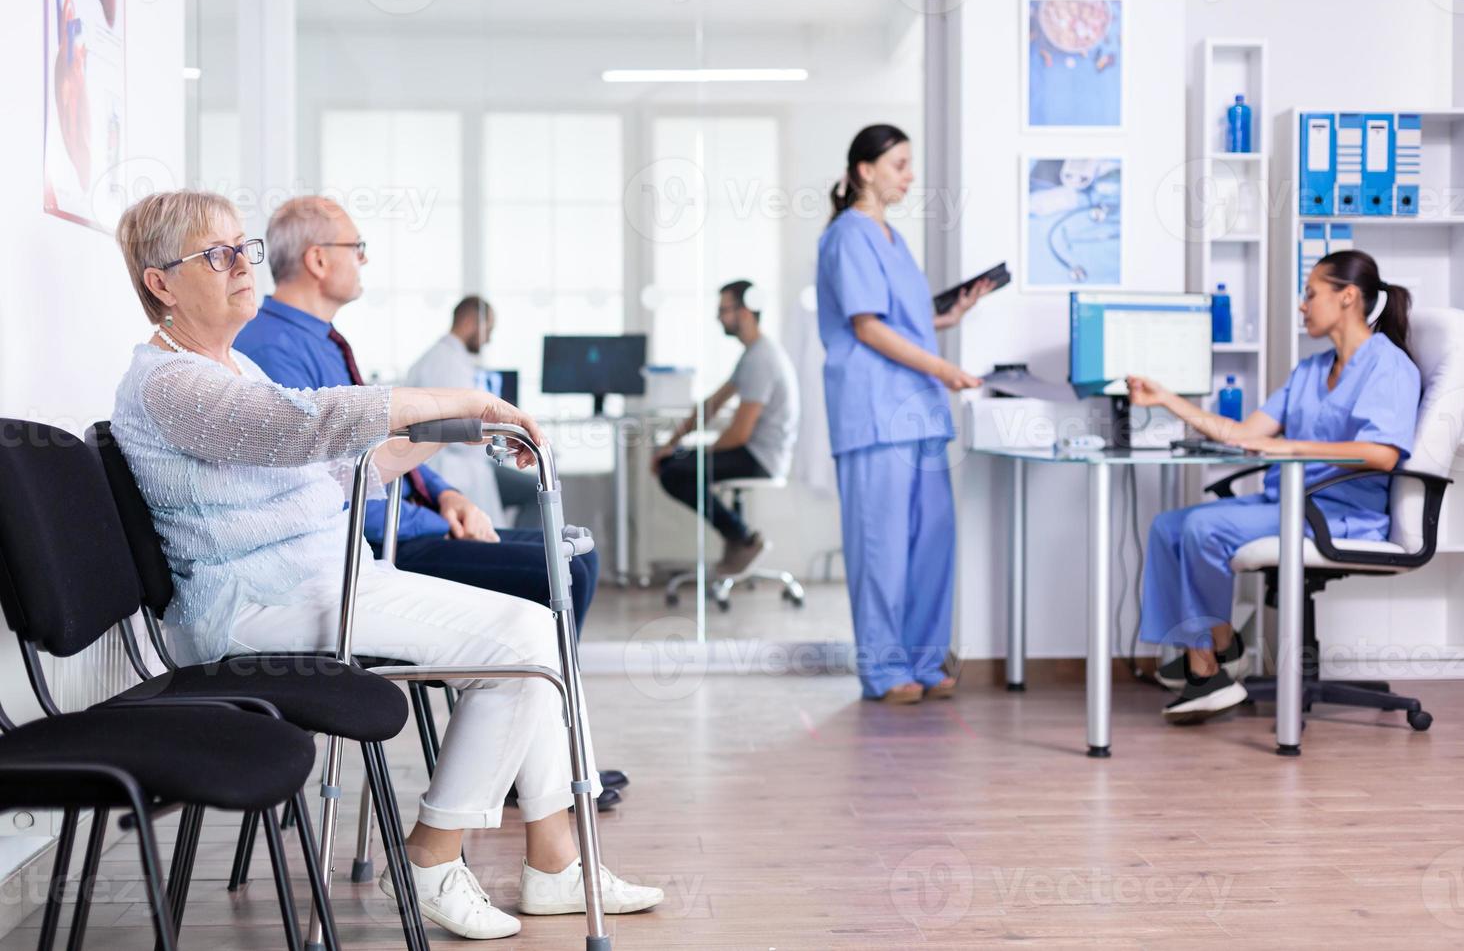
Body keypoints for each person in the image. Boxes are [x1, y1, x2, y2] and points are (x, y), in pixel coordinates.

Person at [109, 191, 662, 940]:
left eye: (243, 247)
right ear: (161, 283)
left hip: (322, 582)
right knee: (522, 641)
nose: (244, 265)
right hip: (253, 606)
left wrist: (450, 426)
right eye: (218, 255)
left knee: (535, 630)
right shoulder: (171, 383)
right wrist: (454, 396)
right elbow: (306, 425)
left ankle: (555, 865)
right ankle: (433, 863)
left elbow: (336, 473)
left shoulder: (230, 365)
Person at [236, 198, 626, 810]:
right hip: (375, 541)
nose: (363, 260)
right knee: (563, 569)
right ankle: (538, 771)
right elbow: (329, 478)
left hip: (412, 520)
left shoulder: (322, 340)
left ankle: (542, 758)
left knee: (573, 553)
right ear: (317, 259)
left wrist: (446, 494)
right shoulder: (270, 349)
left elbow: (374, 445)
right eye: (355, 247)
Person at [1128, 249, 1420, 724]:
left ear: (1347, 297)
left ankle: (1208, 669)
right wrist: (1166, 399)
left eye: (1310, 294)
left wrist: (1292, 448)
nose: (1303, 306)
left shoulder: (1388, 367)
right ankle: (1219, 650)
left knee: (1204, 529)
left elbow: (1382, 454)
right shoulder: (1310, 370)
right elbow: (1245, 434)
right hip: (1288, 503)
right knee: (1169, 526)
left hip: (1337, 515)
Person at [815, 124, 996, 705]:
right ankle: (886, 669)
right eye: (899, 164)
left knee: (931, 541)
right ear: (865, 170)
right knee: (882, 545)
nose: (909, 175)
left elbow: (900, 318)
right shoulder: (849, 235)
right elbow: (867, 327)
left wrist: (949, 315)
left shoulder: (894, 237)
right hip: (874, 411)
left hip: (918, 411)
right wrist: (945, 370)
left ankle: (922, 658)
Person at [651, 280, 800, 577]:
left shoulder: (762, 359)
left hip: (760, 459)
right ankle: (739, 537)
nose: (718, 317)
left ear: (745, 312)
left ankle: (742, 538)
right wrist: (674, 442)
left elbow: (738, 435)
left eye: (724, 309)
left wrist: (686, 452)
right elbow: (712, 405)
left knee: (673, 471)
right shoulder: (752, 354)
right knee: (673, 463)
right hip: (751, 452)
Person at [406, 296, 541, 529]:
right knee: (536, 491)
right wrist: (505, 441)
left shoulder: (448, 359)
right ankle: (531, 555)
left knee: (531, 489)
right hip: (452, 468)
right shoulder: (446, 363)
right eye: (488, 329)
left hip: (463, 463)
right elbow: (462, 427)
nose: (489, 338)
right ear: (471, 322)